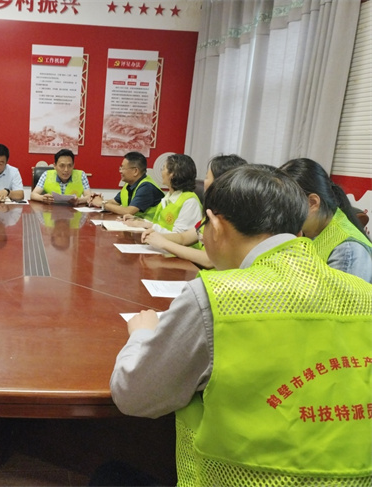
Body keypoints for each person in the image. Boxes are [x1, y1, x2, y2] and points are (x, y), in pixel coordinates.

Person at [111, 165, 372, 486]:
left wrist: (141, 335)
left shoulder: (217, 297)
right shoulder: (363, 294)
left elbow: (134, 395)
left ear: (216, 225)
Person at [142, 154, 248, 268]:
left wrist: (164, 243)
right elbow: (184, 238)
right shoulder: (213, 213)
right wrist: (156, 236)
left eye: (207, 177)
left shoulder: (232, 219)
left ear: (221, 183)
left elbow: (209, 260)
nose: (204, 182)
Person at [280, 157, 372, 283]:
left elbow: (339, 298)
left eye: (286, 205)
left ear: (312, 202)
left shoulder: (346, 250)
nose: (280, 213)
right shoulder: (309, 231)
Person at [125, 153, 202, 232]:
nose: (162, 172)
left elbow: (179, 235)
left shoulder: (190, 202)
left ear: (173, 174)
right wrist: (140, 221)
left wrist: (149, 226)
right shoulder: (168, 197)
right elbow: (160, 225)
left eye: (164, 169)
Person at [90, 152, 164, 218]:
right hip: (135, 226)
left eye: (123, 168)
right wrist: (96, 200)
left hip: (152, 227)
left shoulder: (147, 187)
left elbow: (129, 211)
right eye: (120, 168)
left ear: (135, 171)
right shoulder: (128, 185)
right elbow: (115, 202)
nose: (120, 171)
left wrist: (102, 204)